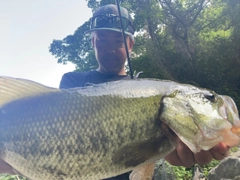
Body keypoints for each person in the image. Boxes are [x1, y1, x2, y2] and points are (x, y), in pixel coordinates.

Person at [0, 4, 229, 179]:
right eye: (101, 40)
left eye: (118, 40)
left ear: (130, 45)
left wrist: (168, 149)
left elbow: (147, 158)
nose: (109, 47)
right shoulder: (73, 81)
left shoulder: (150, 92)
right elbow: (56, 136)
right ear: (92, 42)